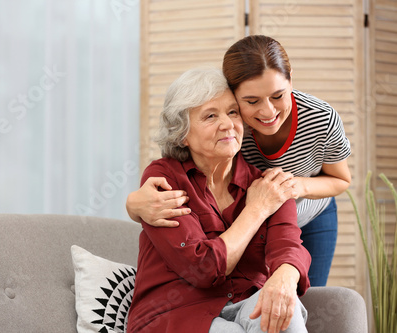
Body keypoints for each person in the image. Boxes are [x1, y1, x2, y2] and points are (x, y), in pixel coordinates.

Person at [126, 35, 351, 287]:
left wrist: (294, 187)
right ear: (233, 94)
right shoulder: (232, 124)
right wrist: (132, 204)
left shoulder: (320, 118)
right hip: (258, 209)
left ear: (291, 80)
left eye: (278, 95)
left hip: (309, 210)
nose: (268, 112)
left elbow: (341, 179)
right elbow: (185, 153)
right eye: (252, 101)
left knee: (307, 292)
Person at [126, 67, 311, 333]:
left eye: (233, 112)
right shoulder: (164, 178)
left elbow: (289, 246)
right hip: (176, 314)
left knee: (282, 311)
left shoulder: (268, 183)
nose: (227, 124)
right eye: (211, 116)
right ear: (182, 134)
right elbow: (201, 268)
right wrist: (256, 209)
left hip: (247, 301)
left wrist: (285, 276)